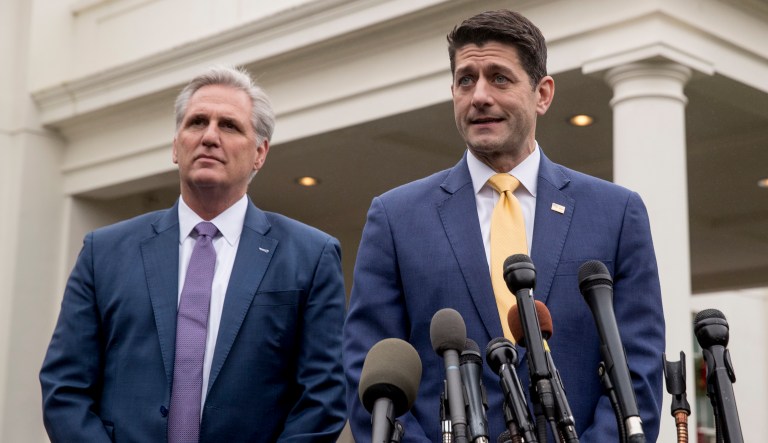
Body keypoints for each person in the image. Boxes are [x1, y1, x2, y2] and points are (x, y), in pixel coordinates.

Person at [343, 9, 664, 443]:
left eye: (499, 78)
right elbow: (368, 375)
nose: (478, 96)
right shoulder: (395, 218)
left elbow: (638, 369)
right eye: (465, 80)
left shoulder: (616, 212)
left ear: (543, 93)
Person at [40, 65, 347, 442]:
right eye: (197, 122)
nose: (210, 136)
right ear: (175, 145)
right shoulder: (102, 253)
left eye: (230, 126)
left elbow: (323, 399)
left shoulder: (310, 256)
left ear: (260, 153)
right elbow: (64, 388)